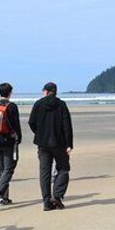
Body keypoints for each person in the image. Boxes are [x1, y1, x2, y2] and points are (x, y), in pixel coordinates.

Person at [28, 82, 74, 211]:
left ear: (47, 91)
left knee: (45, 172)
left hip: (42, 143)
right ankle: (57, 196)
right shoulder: (61, 105)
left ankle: (46, 202)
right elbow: (67, 126)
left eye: (43, 91)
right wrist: (69, 144)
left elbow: (32, 122)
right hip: (59, 143)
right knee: (64, 168)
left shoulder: (38, 104)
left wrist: (40, 133)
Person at [0, 82, 22, 210]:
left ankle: (3, 197)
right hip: (8, 141)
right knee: (9, 168)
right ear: (10, 92)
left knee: (0, 168)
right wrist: (19, 139)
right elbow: (16, 125)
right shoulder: (11, 106)